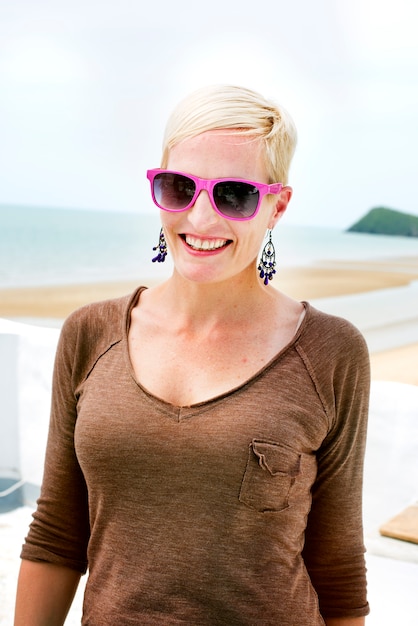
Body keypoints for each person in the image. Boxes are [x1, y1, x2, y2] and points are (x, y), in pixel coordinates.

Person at [15, 85, 370, 625]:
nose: (200, 220)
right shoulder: (89, 335)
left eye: (234, 194)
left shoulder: (331, 353)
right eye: (180, 187)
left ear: (277, 205)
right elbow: (57, 537)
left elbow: (338, 569)